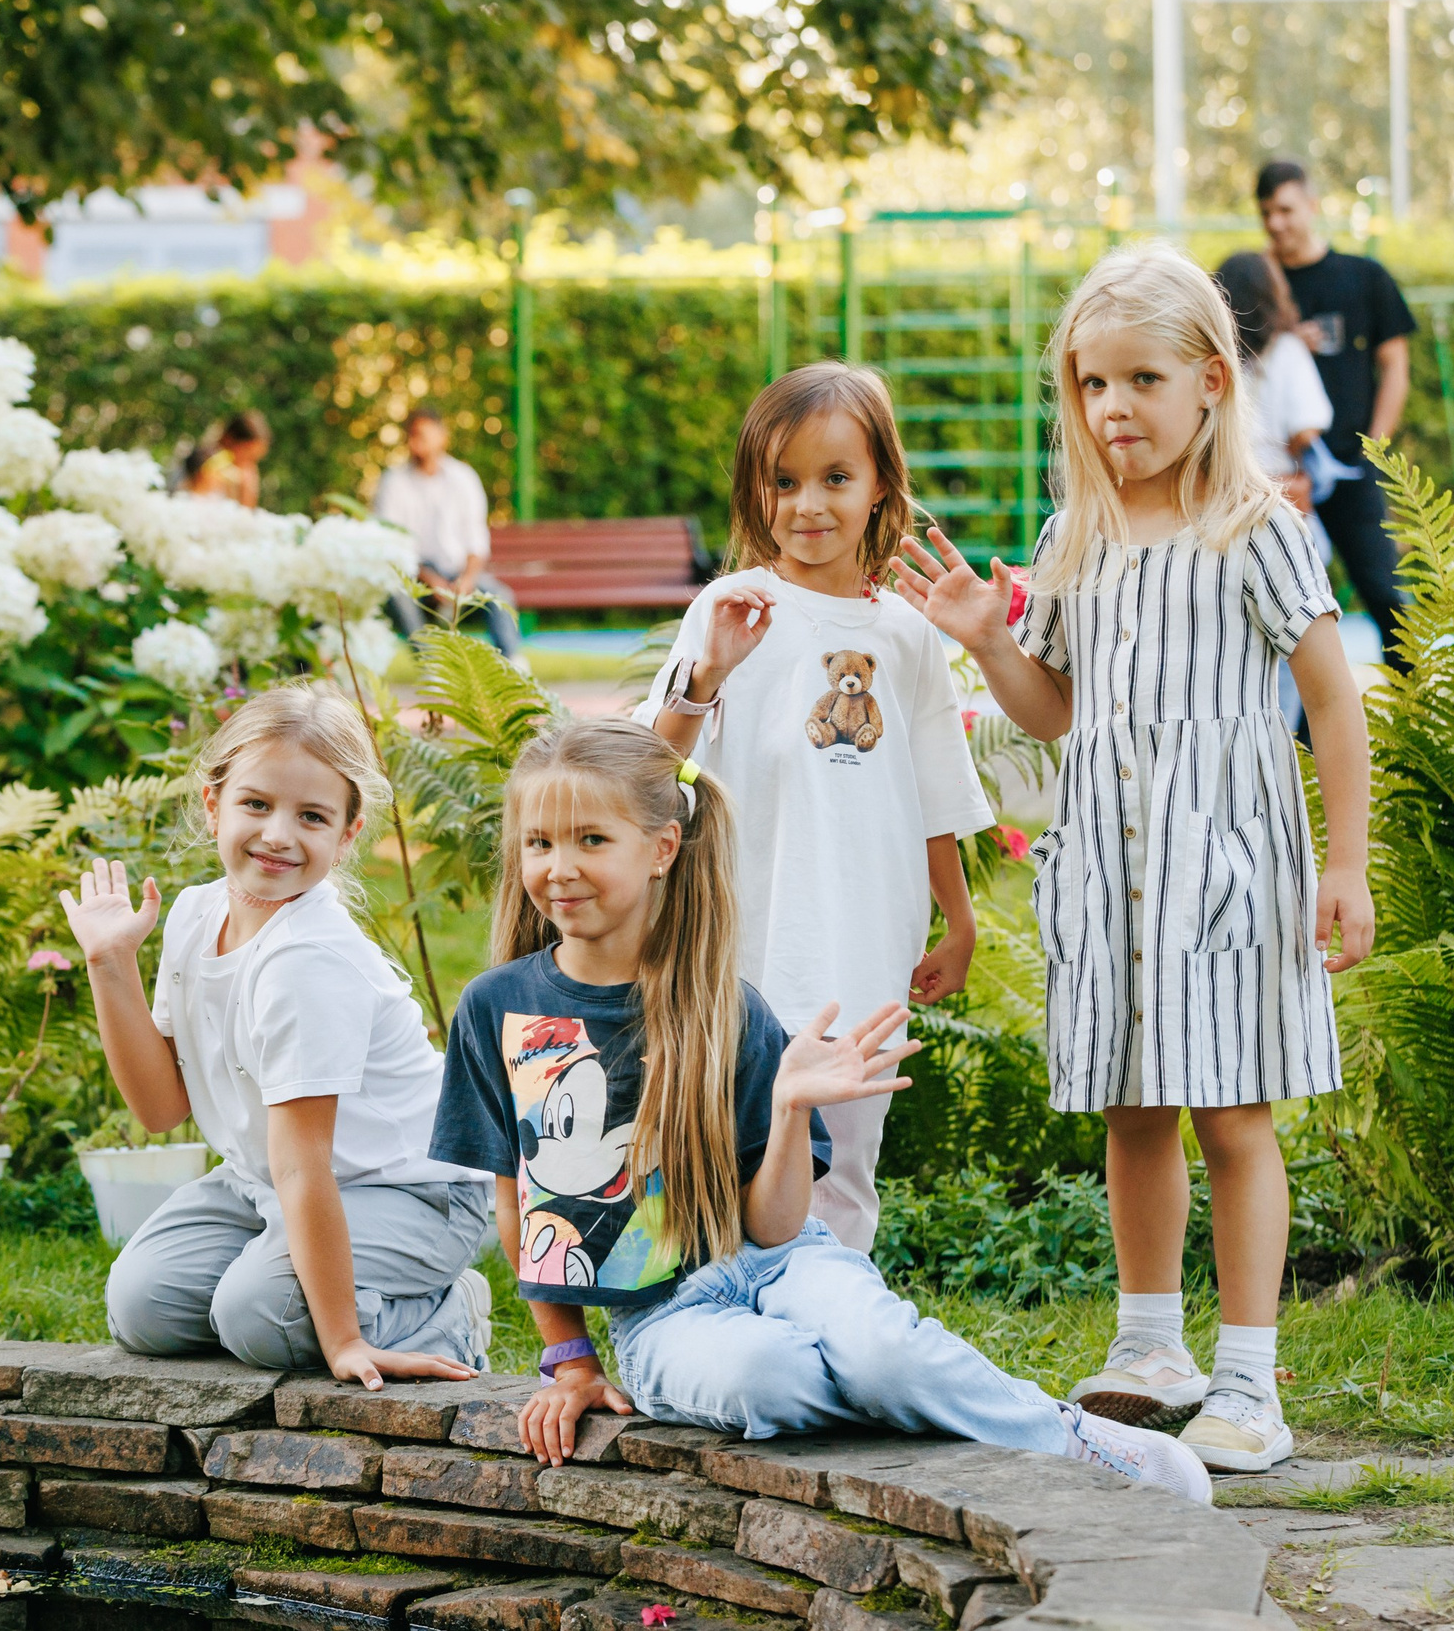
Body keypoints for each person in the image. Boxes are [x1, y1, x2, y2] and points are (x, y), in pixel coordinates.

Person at [430, 718, 1209, 1502]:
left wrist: (792, 1108)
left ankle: (1074, 1442)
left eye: (591, 840)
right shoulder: (498, 1008)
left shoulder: (725, 1010)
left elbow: (770, 1227)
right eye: (539, 844)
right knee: (766, 1378)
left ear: (662, 849)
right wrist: (570, 1360)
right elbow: (518, 1205)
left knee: (882, 1352)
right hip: (659, 1316)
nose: (559, 868)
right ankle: (927, 1406)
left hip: (781, 1257)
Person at [892, 242, 1376, 1475]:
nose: (1113, 409)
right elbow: (1052, 709)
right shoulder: (1076, 531)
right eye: (1092, 384)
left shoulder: (1253, 529)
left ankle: (1249, 1379)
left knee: (1229, 1108)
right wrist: (983, 639)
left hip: (1225, 857)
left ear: (1211, 381)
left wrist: (1345, 863)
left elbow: (1331, 697)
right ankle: (1148, 1345)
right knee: (1133, 1099)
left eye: (1141, 381)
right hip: (1106, 865)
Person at [635, 363, 991, 1254]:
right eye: (784, 481)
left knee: (845, 1164)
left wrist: (959, 920)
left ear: (880, 489)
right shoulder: (729, 610)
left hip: (865, 946)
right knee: (726, 1145)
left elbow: (934, 794)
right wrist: (708, 670)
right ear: (757, 491)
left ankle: (838, 1317)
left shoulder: (907, 636)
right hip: (741, 945)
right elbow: (650, 764)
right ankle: (717, 1313)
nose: (808, 505)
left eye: (836, 478)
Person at [59, 684, 493, 1385]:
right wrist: (110, 964)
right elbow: (162, 1109)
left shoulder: (308, 959)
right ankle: (297, 1279)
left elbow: (305, 1163)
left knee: (259, 1316)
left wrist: (345, 1342)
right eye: (256, 804)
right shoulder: (197, 915)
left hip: (412, 1192)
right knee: (143, 1306)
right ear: (213, 802)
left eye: (312, 816)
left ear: (347, 835)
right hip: (269, 1182)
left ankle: (449, 1312)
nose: (278, 834)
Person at [1259, 159, 1415, 662]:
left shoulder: (1363, 277)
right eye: (1266, 213)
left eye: (1285, 209)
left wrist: (1377, 446)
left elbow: (1395, 364)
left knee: (1386, 597)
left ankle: (1415, 719)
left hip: (1350, 464)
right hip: (1278, 476)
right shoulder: (1256, 285)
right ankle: (1303, 737)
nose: (1276, 223)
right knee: (1295, 615)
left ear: (1311, 205)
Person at [1212, 251, 1339, 727]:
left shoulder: (1211, 355)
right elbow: (1308, 427)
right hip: (1281, 505)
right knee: (1296, 644)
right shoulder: (1286, 349)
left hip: (1224, 506)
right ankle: (1286, 742)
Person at [373, 406, 524, 660]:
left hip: (459, 573)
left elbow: (477, 543)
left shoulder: (464, 478)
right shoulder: (393, 482)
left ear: (442, 436)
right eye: (410, 436)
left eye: (421, 435)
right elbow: (391, 545)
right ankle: (433, 668)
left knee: (500, 597)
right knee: (397, 593)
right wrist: (430, 580)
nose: (414, 442)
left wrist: (466, 579)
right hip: (413, 576)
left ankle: (513, 665)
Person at [211, 411, 272, 508]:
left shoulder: (245, 473)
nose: (250, 464)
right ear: (228, 439)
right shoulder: (207, 467)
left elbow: (246, 512)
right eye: (249, 456)